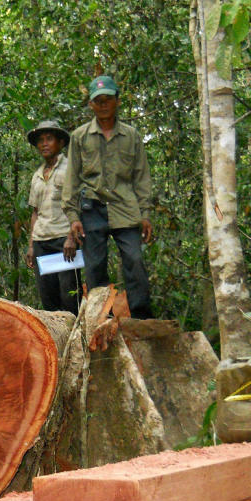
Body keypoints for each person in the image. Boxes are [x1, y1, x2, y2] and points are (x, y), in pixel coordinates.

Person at [62, 75, 154, 319]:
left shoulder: (131, 136)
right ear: (91, 105)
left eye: (108, 100)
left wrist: (145, 214)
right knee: (94, 267)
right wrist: (73, 216)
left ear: (117, 101)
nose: (103, 105)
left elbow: (141, 176)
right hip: (92, 208)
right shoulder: (80, 137)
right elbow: (72, 178)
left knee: (134, 261)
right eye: (98, 101)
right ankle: (101, 319)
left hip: (125, 207)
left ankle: (141, 318)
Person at [24, 120, 82, 315]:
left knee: (70, 297)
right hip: (42, 242)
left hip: (64, 242)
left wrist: (71, 238)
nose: (44, 144)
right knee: (48, 299)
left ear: (60, 143)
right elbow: (35, 212)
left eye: (49, 139)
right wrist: (32, 245)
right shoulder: (37, 175)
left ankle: (77, 341)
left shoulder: (70, 171)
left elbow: (78, 206)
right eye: (40, 140)